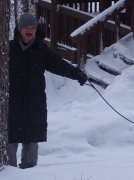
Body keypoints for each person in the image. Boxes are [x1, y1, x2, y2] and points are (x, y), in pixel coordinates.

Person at [8, 13, 88, 168]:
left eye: (32, 28)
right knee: (10, 138)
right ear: (19, 29)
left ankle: (30, 170)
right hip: (13, 101)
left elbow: (59, 64)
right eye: (26, 27)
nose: (29, 30)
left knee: (32, 137)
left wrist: (77, 74)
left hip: (34, 102)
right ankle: (8, 171)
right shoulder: (9, 49)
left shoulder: (41, 49)